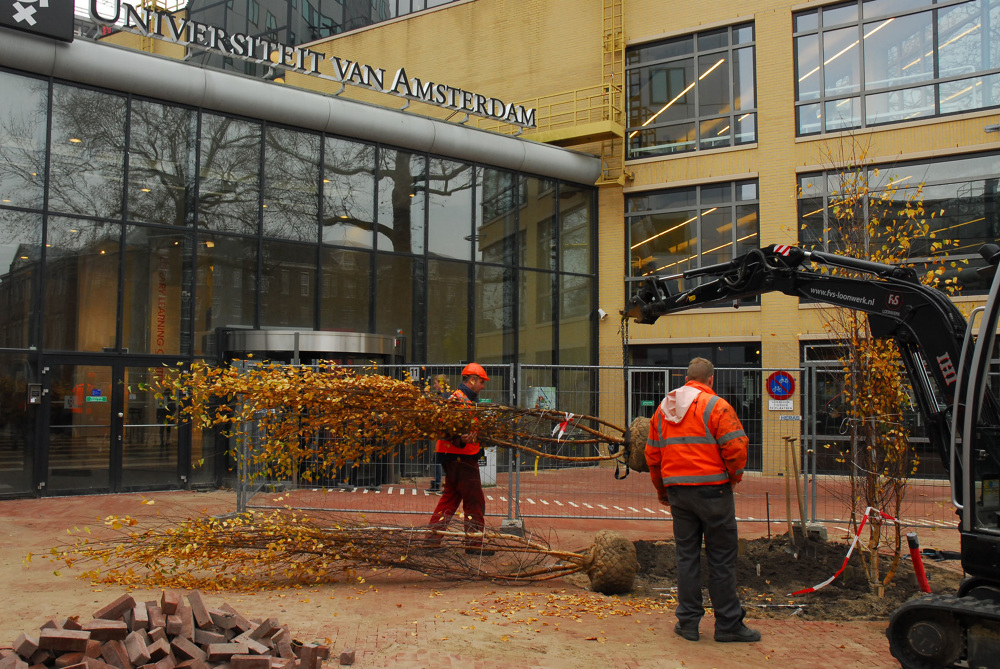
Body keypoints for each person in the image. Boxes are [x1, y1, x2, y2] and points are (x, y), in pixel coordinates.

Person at [645, 357, 760, 643]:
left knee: (686, 557)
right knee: (721, 558)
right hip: (713, 492)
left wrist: (663, 491)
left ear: (686, 379)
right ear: (711, 379)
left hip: (678, 493)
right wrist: (732, 478)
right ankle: (728, 625)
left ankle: (687, 623)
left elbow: (653, 455)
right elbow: (736, 447)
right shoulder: (717, 406)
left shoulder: (662, 410)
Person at [428, 363, 493, 555]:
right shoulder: (458, 400)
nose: (483, 386)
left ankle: (432, 540)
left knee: (451, 496)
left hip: (457, 456)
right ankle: (474, 544)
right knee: (474, 500)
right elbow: (442, 428)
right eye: (481, 382)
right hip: (461, 457)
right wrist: (459, 439)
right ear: (472, 380)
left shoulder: (463, 399)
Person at [427, 374, 450, 493]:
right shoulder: (444, 395)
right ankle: (437, 483)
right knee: (437, 458)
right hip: (443, 432)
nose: (434, 385)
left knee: (440, 458)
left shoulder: (444, 397)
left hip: (444, 433)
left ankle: (440, 484)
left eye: (436, 383)